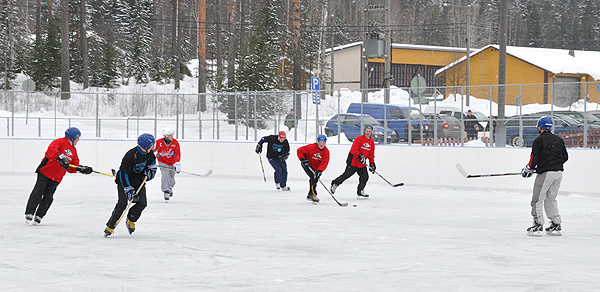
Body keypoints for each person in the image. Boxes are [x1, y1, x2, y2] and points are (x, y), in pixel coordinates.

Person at [24, 127, 93, 225]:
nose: (78, 140)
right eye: (77, 138)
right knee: (38, 191)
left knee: (48, 197)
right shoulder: (60, 142)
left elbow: (72, 167)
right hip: (45, 172)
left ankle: (39, 215)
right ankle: (29, 212)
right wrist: (60, 157)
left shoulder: (73, 150)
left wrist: (81, 169)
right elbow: (51, 151)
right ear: (72, 137)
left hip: (56, 177)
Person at [521, 116, 568, 237]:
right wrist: (554, 163)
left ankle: (537, 224)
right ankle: (556, 223)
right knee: (550, 198)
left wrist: (529, 169)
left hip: (546, 173)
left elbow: (534, 158)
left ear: (540, 126)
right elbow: (565, 157)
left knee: (537, 199)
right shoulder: (559, 140)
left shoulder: (539, 140)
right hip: (559, 173)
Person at [104, 133, 157, 237]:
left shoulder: (150, 155)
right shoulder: (130, 155)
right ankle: (110, 226)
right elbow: (123, 174)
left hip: (138, 181)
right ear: (145, 146)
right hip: (124, 182)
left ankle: (131, 219)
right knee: (122, 204)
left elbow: (152, 166)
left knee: (142, 203)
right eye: (151, 145)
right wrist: (128, 189)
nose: (153, 147)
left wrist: (150, 173)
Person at [331, 125, 376, 199]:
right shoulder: (359, 139)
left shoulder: (371, 142)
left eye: (369, 131)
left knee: (365, 177)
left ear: (371, 132)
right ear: (364, 131)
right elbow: (353, 150)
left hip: (362, 164)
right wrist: (359, 156)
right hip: (353, 162)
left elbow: (371, 154)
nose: (368, 132)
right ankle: (335, 183)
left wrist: (372, 164)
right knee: (346, 175)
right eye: (367, 131)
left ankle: (360, 191)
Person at [297, 135, 330, 203]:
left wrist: (320, 170)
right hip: (307, 164)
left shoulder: (326, 152)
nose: (322, 144)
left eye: (323, 142)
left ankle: (310, 194)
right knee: (313, 177)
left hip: (317, 167)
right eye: (320, 142)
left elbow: (324, 163)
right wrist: (303, 159)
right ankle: (314, 195)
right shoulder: (311, 147)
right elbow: (299, 150)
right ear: (317, 142)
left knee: (315, 179)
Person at [155, 127, 181, 201]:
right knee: (165, 175)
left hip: (172, 162)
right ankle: (166, 190)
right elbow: (152, 150)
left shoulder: (175, 143)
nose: (172, 136)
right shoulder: (159, 142)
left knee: (171, 178)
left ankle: (170, 187)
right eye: (170, 135)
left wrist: (177, 163)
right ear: (166, 136)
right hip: (162, 162)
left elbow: (177, 154)